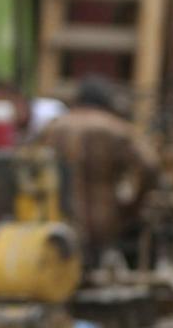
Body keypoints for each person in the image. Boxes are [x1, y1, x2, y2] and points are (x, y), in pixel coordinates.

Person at [37, 76, 161, 262]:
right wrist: (134, 205)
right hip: (104, 220)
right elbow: (150, 166)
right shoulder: (116, 128)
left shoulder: (53, 128)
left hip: (60, 221)